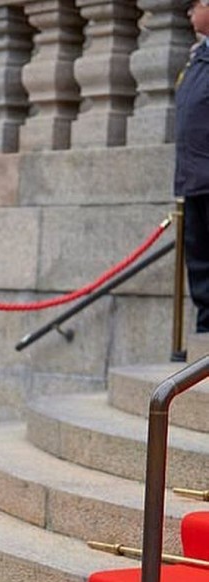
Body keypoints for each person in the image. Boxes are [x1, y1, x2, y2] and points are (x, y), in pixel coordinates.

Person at [175, 0, 209, 336]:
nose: (189, 13)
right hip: (193, 180)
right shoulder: (197, 57)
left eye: (194, 4)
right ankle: (205, 338)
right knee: (200, 268)